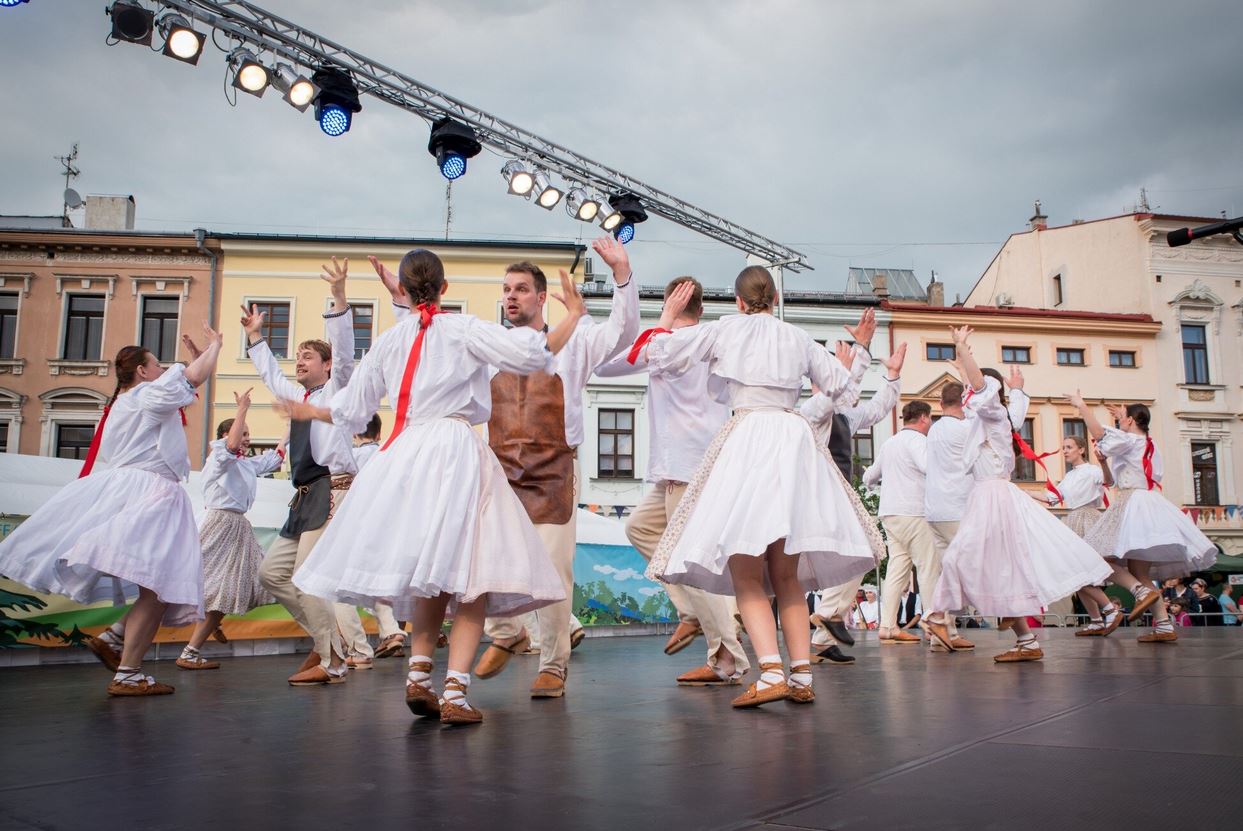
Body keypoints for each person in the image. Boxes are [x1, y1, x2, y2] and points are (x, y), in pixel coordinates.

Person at [284, 248, 587, 725]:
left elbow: (352, 410)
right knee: (471, 576)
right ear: (444, 289)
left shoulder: (389, 340)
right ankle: (456, 692)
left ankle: (419, 675)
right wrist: (574, 315)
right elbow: (533, 354)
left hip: (406, 457)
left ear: (404, 291)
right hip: (454, 450)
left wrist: (311, 410)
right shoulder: (462, 329)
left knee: (432, 573)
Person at [641, 266, 881, 708]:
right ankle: (801, 675)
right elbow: (846, 391)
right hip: (791, 440)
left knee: (747, 571)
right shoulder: (797, 337)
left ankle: (771, 673)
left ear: (738, 301)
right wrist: (860, 351)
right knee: (787, 575)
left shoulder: (725, 329)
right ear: (774, 299)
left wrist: (666, 317)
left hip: (749, 438)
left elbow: (659, 354)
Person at [0, 330, 223, 695]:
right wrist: (216, 346)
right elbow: (192, 378)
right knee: (158, 587)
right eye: (157, 365)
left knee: (158, 586)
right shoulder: (146, 395)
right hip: (152, 494)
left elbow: (188, 381)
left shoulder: (124, 402)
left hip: (134, 490)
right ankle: (127, 671)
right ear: (142, 371)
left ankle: (116, 642)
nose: (163, 369)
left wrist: (202, 358)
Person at [474, 237, 639, 700]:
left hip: (553, 471)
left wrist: (621, 274)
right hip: (501, 471)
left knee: (550, 573)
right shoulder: (489, 345)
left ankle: (552, 665)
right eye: (507, 289)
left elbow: (623, 333)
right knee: (486, 559)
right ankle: (507, 632)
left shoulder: (577, 339)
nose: (511, 296)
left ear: (542, 297)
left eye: (521, 289)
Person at [923, 327, 1112, 662]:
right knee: (999, 569)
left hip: (992, 496)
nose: (968, 393)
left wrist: (963, 349)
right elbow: (998, 403)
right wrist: (1014, 388)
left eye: (971, 388)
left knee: (961, 556)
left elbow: (980, 388)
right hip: (990, 496)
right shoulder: (990, 418)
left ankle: (938, 615)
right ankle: (1026, 641)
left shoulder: (993, 414)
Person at [597, 276, 749, 687]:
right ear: (701, 308)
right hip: (687, 468)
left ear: (670, 303)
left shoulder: (666, 343)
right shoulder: (711, 342)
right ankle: (692, 612)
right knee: (640, 528)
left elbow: (606, 366)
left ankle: (727, 658)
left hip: (687, 467)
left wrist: (662, 320)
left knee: (687, 562)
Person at [242, 258, 358, 685]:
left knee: (308, 577)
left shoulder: (337, 389)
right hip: (304, 496)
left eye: (308, 356)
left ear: (326, 365)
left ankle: (334, 660)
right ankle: (329, 642)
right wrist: (255, 337)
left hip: (332, 489)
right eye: (298, 357)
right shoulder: (299, 397)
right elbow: (272, 378)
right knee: (271, 575)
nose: (300, 361)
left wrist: (339, 297)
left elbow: (344, 354)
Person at [1070, 393, 1218, 643]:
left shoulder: (1130, 440)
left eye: (1122, 420)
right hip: (1149, 504)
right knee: (1140, 571)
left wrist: (1082, 406)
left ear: (1130, 421)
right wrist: (1122, 424)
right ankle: (1164, 625)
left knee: (1096, 558)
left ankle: (1138, 591)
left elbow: (1099, 434)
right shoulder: (1149, 443)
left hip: (1132, 503)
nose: (1119, 423)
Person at [802, 311, 904, 664]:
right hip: (819, 496)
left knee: (859, 553)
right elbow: (839, 392)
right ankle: (825, 616)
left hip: (840, 495)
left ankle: (822, 635)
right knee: (856, 551)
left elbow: (877, 408)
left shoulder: (845, 415)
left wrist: (892, 376)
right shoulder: (812, 410)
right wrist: (857, 354)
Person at [923, 361, 1031, 653]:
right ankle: (1018, 629)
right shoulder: (974, 424)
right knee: (975, 563)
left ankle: (941, 623)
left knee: (958, 563)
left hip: (958, 505)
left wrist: (965, 366)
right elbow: (1009, 419)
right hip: (971, 504)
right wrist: (1017, 392)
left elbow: (991, 409)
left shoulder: (949, 427)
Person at [176, 389, 286, 671]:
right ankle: (190, 649)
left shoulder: (244, 464)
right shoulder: (219, 458)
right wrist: (242, 409)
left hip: (236, 526)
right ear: (226, 436)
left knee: (243, 583)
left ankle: (208, 628)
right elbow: (231, 445)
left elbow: (274, 458)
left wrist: (292, 425)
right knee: (213, 587)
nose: (247, 439)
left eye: (248, 434)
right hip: (220, 524)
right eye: (243, 433)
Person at [861, 398, 935, 647]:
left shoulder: (889, 443)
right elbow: (928, 466)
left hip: (890, 513)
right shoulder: (919, 441)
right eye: (930, 418)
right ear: (923, 418)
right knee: (927, 567)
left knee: (897, 568)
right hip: (914, 511)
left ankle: (888, 626)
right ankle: (933, 625)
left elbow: (870, 477)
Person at [339, 414, 408, 664]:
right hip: (387, 524)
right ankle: (391, 631)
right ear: (378, 433)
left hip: (357, 524)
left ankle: (357, 647)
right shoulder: (389, 454)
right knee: (381, 581)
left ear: (355, 433)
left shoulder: (352, 456)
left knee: (342, 584)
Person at [1043, 435, 1123, 638]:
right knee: (1076, 576)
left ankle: (1110, 610)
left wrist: (1103, 463)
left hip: (1088, 518)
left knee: (1080, 573)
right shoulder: (1069, 476)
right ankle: (1096, 621)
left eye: (1069, 447)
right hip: (1073, 519)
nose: (1065, 451)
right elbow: (1052, 498)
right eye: (1063, 447)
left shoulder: (1092, 470)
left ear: (1081, 449)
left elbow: (1108, 481)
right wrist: (1020, 493)